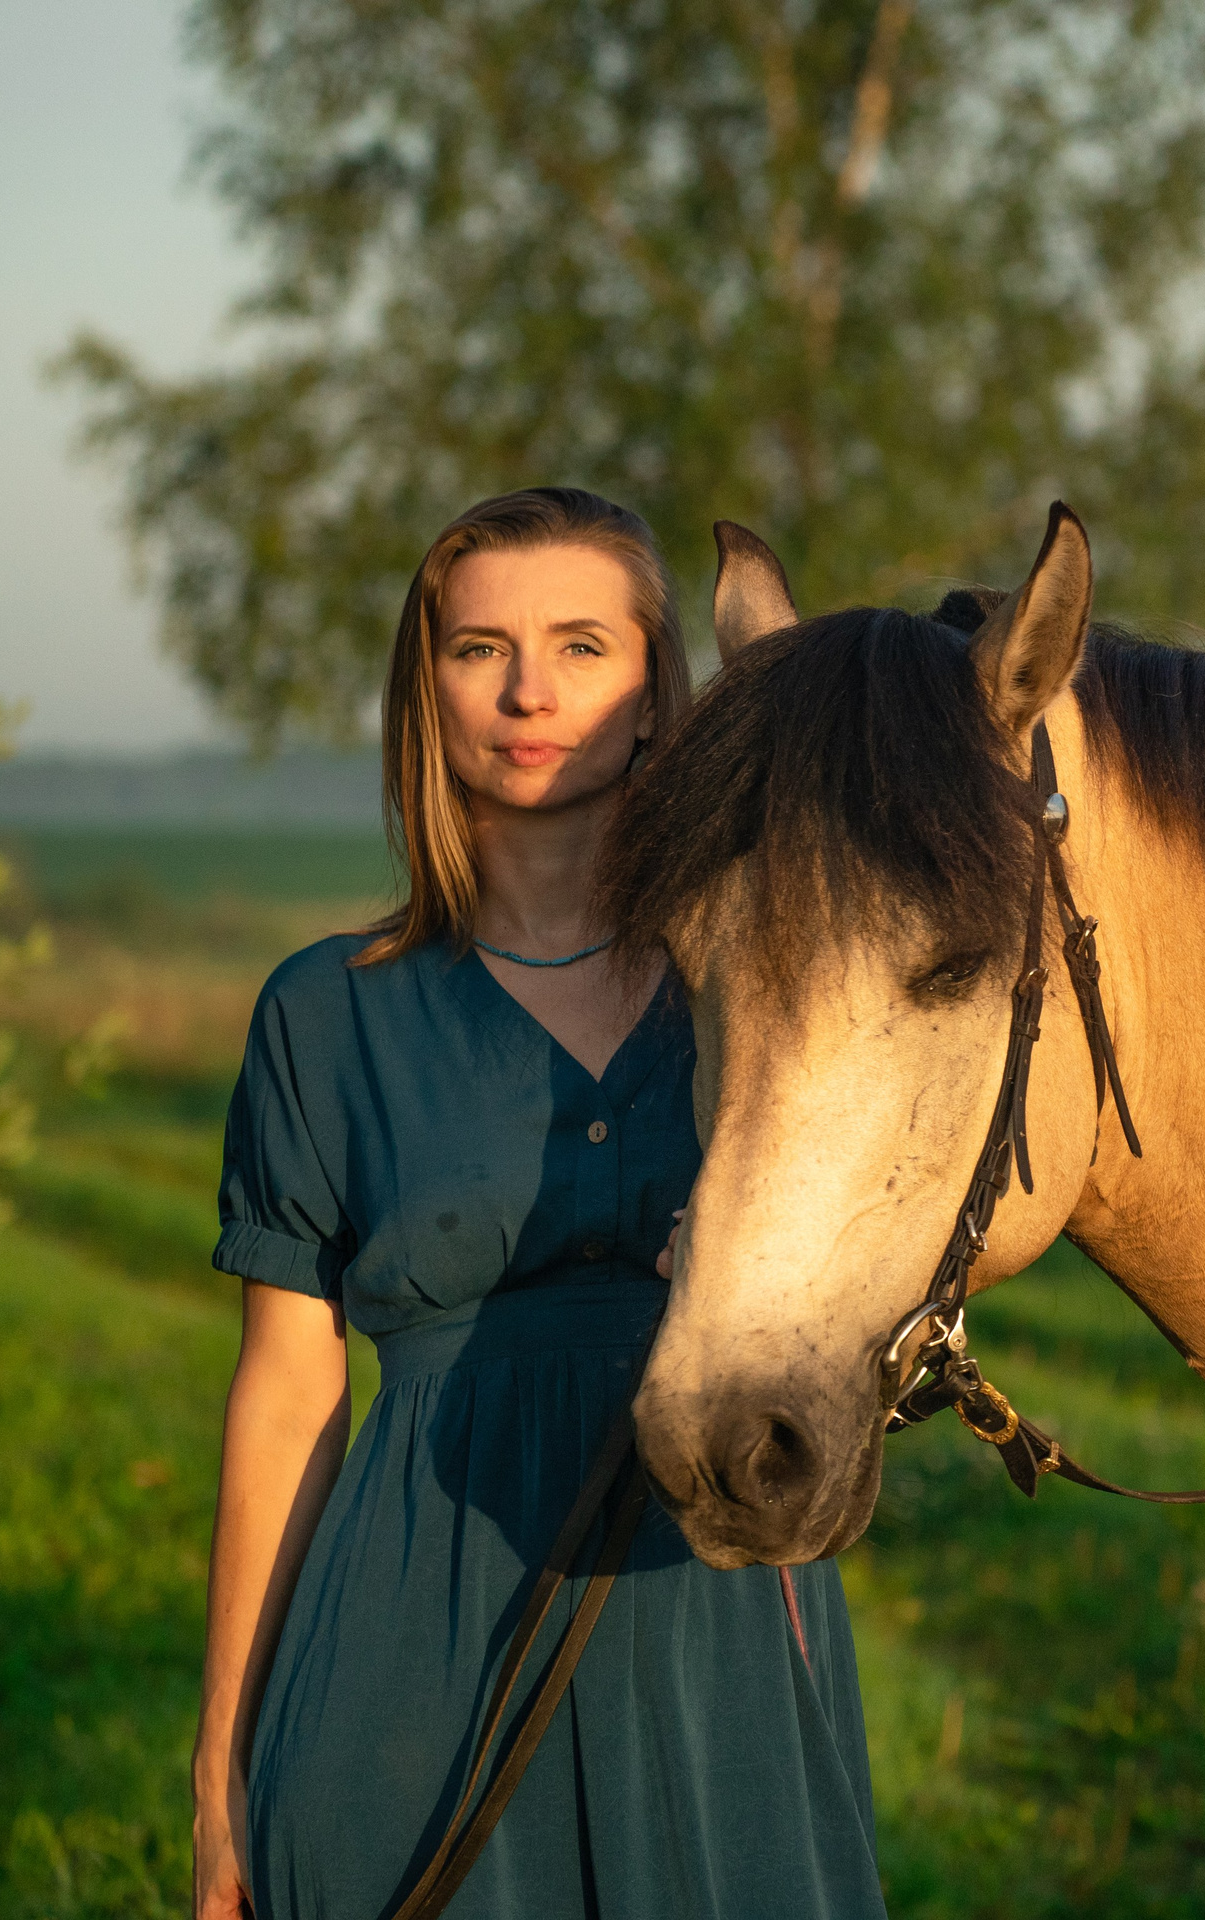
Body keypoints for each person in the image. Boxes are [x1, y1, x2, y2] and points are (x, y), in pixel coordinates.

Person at [190, 488, 885, 1920]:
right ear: (425, 693)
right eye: (476, 649)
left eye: (580, 646)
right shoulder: (327, 1015)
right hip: (405, 1651)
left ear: (654, 698)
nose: (526, 691)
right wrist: (219, 1781)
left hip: (715, 1635)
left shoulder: (763, 995)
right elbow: (282, 1407)